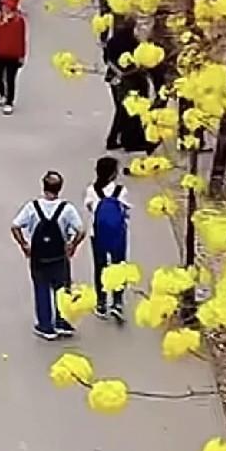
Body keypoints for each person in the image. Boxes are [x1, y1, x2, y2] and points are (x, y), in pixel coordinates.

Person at [11, 171, 86, 341]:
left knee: (41, 288)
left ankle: (46, 326)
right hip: (59, 257)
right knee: (62, 289)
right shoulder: (67, 208)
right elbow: (81, 230)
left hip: (39, 257)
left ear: (43, 186)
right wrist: (72, 245)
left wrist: (24, 245)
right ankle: (62, 321)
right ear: (60, 188)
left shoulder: (32, 207)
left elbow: (15, 226)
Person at [84, 155, 131, 322]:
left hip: (97, 234)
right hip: (118, 235)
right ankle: (117, 302)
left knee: (100, 267)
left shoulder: (92, 190)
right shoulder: (121, 191)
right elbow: (126, 212)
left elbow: (90, 208)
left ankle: (101, 303)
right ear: (113, 174)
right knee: (119, 266)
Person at [104, 18, 153, 152]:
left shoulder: (113, 41)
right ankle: (130, 140)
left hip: (117, 78)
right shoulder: (130, 41)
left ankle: (114, 139)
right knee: (130, 109)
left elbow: (107, 59)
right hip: (129, 79)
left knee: (122, 110)